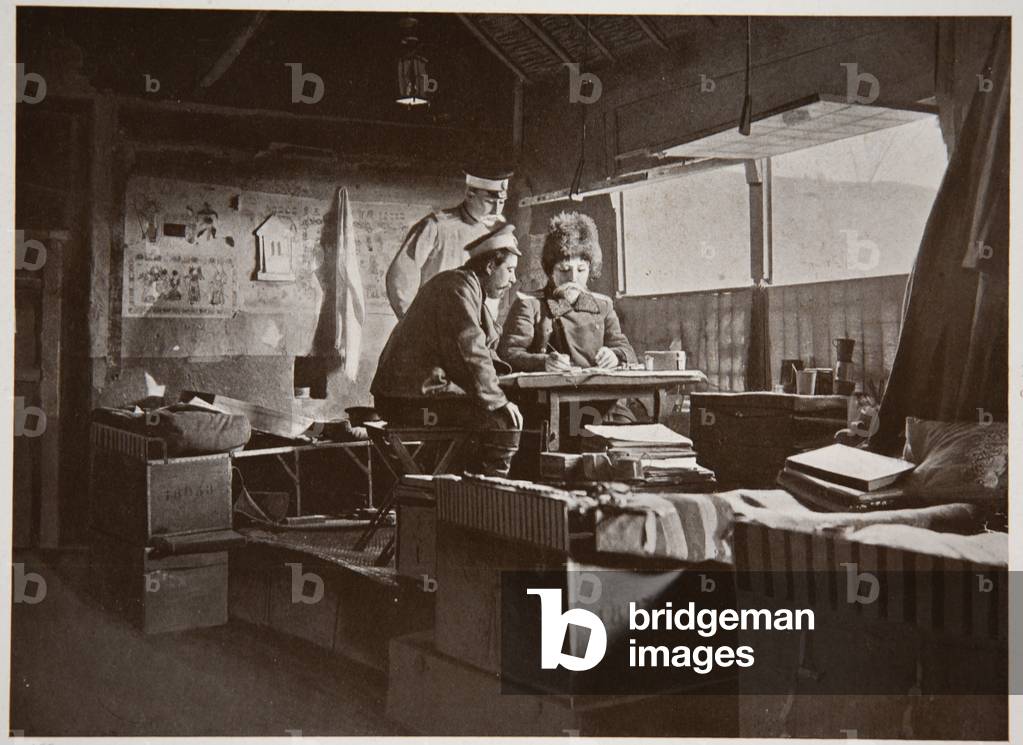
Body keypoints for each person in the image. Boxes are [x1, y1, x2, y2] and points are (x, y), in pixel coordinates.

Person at [371, 224, 523, 476]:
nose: (513, 279)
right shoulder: (457, 288)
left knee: (496, 413)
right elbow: (470, 350)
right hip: (406, 402)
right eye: (509, 270)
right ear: (489, 267)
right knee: (503, 421)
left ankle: (464, 499)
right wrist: (499, 400)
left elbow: (485, 349)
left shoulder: (467, 288)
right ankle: (486, 505)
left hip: (412, 395)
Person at [499, 211, 641, 432]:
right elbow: (508, 354)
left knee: (628, 432)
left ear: (590, 269)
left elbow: (625, 349)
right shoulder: (531, 304)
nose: (573, 278)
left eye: (581, 270)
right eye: (564, 270)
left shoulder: (602, 305)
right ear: (550, 271)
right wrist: (543, 363)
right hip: (550, 404)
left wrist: (615, 356)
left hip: (600, 401)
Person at [385, 166, 512, 319]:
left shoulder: (498, 233)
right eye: (490, 202)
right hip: (437, 326)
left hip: (478, 330)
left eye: (502, 202)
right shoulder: (437, 225)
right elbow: (400, 275)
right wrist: (411, 321)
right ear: (470, 195)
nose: (497, 210)